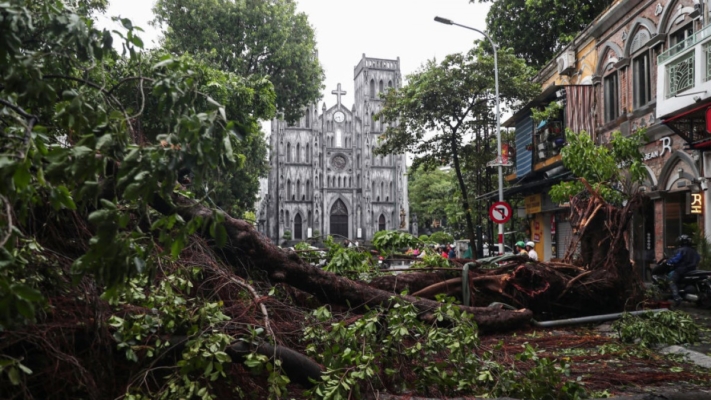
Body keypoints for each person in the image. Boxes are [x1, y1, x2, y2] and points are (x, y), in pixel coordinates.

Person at [666, 234, 700, 306]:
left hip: (681, 270)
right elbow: (698, 259)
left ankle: (676, 297)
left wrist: (668, 262)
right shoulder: (694, 251)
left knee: (671, 280)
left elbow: (675, 260)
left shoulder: (680, 250)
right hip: (692, 271)